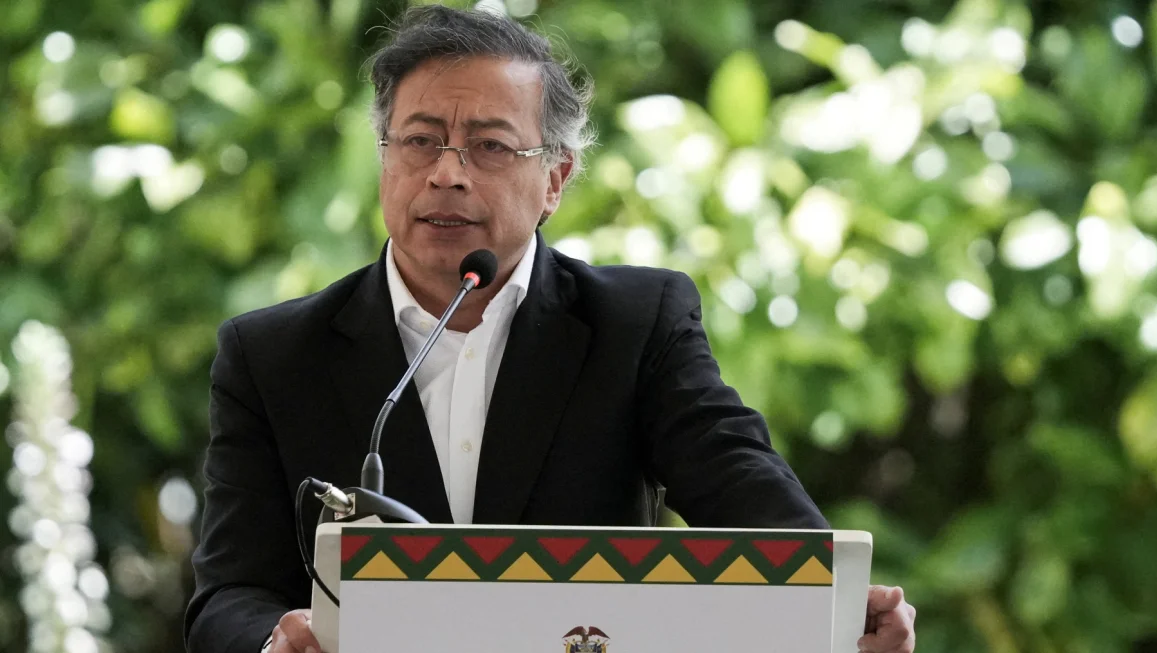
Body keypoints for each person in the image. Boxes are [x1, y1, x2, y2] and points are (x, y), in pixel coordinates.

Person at [183, 5, 916, 653]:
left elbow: (740, 486)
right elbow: (227, 597)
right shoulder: (272, 354)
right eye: (419, 140)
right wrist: (273, 640)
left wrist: (838, 600)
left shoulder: (634, 325)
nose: (446, 173)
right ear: (383, 158)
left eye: (490, 146)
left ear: (556, 179)